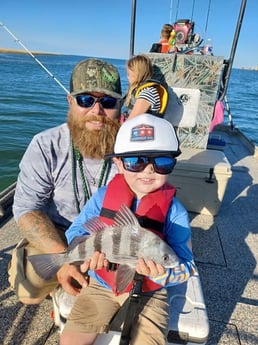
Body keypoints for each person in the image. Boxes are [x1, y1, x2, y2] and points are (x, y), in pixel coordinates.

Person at [59, 113, 196, 345]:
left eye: (162, 162)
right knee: (70, 340)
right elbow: (76, 232)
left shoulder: (176, 212)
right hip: (101, 284)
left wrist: (162, 273)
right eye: (136, 161)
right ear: (119, 163)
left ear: (173, 164)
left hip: (151, 292)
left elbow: (186, 266)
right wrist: (83, 256)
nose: (148, 170)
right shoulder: (103, 196)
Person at [8, 58, 123, 305]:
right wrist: (64, 258)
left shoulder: (131, 148)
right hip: (59, 231)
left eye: (108, 101)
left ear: (120, 106)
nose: (97, 111)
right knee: (29, 288)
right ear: (70, 101)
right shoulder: (45, 144)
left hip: (112, 235)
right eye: (85, 100)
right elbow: (27, 208)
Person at [124, 54, 168, 120]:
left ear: (137, 73)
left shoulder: (148, 93)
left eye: (129, 74)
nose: (128, 77)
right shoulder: (141, 90)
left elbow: (131, 121)